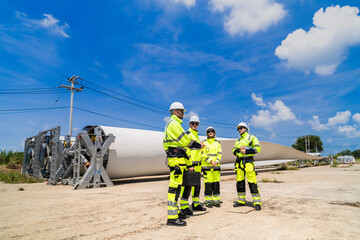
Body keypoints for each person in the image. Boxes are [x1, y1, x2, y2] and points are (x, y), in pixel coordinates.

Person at [163, 102, 202, 226]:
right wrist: (198, 145)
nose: (183, 113)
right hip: (176, 160)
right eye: (181, 111)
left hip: (177, 159)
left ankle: (176, 212)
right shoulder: (174, 124)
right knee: (174, 188)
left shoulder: (174, 124)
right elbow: (185, 141)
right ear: (175, 111)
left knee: (178, 187)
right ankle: (172, 218)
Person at [180, 116, 207, 216]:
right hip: (190, 165)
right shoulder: (187, 135)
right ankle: (184, 206)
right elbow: (185, 151)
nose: (195, 125)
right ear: (189, 124)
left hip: (198, 166)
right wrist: (189, 165)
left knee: (197, 186)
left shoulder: (196, 136)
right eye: (193, 123)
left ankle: (196, 204)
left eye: (196, 123)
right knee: (187, 186)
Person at [232, 122, 262, 210]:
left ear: (246, 128)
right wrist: (238, 149)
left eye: (241, 128)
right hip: (239, 163)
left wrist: (246, 151)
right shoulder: (237, 141)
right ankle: (241, 201)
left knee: (252, 182)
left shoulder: (252, 137)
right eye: (238, 129)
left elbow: (258, 149)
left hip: (248, 161)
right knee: (240, 183)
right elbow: (234, 152)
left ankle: (257, 202)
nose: (239, 130)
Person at [201, 126, 222, 208]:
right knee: (208, 184)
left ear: (214, 133)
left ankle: (216, 201)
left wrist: (216, 161)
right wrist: (210, 161)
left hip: (216, 166)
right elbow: (202, 153)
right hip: (207, 167)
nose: (210, 132)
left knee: (216, 184)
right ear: (207, 133)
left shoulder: (218, 143)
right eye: (209, 131)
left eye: (212, 131)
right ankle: (208, 201)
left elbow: (219, 153)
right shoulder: (204, 143)